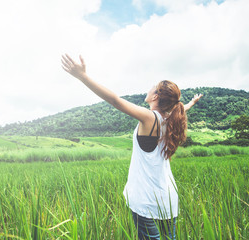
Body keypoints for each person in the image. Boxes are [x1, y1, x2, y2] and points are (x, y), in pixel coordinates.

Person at [61, 54, 202, 240]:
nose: (149, 88)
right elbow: (182, 109)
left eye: (152, 86)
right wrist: (192, 103)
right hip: (168, 199)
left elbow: (115, 101)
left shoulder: (150, 117)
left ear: (156, 95)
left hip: (147, 200)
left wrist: (83, 77)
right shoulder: (171, 120)